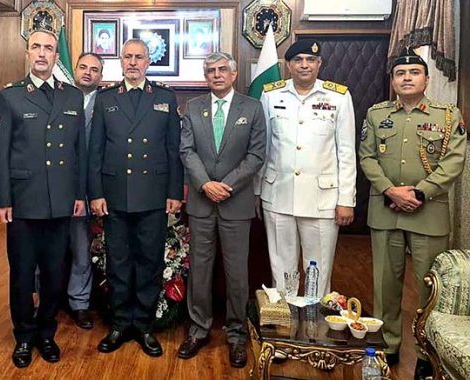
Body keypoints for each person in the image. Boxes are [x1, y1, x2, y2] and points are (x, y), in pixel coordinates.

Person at [359, 47, 466, 378]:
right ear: (392, 81)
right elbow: (367, 158)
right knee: (384, 285)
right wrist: (391, 190)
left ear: (426, 79)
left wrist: (420, 192)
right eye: (400, 74)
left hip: (427, 211)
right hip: (386, 208)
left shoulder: (448, 115)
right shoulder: (377, 115)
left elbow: (454, 161)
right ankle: (387, 345)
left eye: (414, 73)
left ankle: (424, 351)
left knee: (427, 288)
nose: (407, 78)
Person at [0, 29, 86, 368]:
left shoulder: (72, 97)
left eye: (48, 48)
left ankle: (46, 333)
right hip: (23, 201)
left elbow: (80, 150)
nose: (43, 53)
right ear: (28, 54)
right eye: (36, 48)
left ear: (55, 55)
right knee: (20, 274)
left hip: (60, 200)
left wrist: (79, 194)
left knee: (54, 274)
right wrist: (2, 199)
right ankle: (23, 336)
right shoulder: (11, 96)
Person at [88, 38, 183, 357]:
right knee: (117, 261)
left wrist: (174, 192)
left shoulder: (165, 98)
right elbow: (95, 151)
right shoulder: (105, 99)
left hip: (154, 196)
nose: (132, 62)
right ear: (120, 61)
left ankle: (143, 324)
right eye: (127, 57)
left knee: (149, 261)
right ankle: (119, 323)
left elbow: (173, 150)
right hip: (114, 196)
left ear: (148, 62)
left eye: (138, 57)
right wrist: (96, 193)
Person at [178, 52, 265, 367]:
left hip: (235, 203)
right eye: (210, 71)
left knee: (236, 274)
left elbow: (256, 156)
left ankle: (237, 335)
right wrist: (205, 185)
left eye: (221, 69)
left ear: (234, 72)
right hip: (202, 203)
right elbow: (186, 150)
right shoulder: (194, 108)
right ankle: (198, 329)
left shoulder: (252, 108)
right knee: (199, 270)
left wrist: (224, 185)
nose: (216, 75)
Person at [256, 39, 356, 298]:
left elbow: (346, 152)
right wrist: (258, 191)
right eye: (298, 60)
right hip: (278, 194)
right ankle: (286, 321)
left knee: (318, 269)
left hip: (322, 199)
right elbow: (263, 148)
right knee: (282, 268)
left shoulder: (338, 97)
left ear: (319, 63)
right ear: (287, 65)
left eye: (310, 60)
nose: (304, 65)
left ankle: (315, 325)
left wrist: (346, 199)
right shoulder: (271, 94)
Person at [68, 52, 104, 329]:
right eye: (83, 67)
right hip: (58, 186)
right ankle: (46, 297)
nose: (88, 73)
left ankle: (80, 302)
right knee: (50, 248)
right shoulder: (59, 97)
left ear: (100, 76)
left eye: (94, 69)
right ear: (74, 69)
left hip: (93, 188)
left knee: (82, 249)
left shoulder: (107, 101)